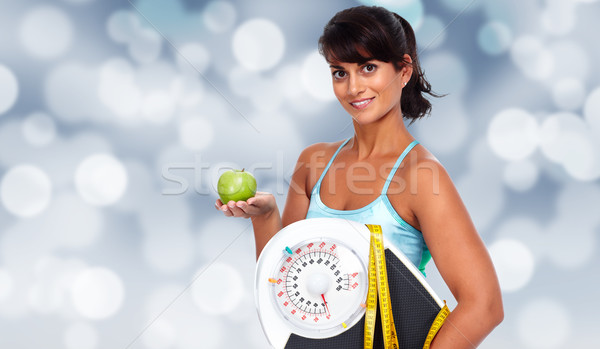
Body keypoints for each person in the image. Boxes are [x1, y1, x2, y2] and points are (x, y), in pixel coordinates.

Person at [216, 5, 503, 348]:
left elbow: (484, 306)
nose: (353, 88)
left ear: (404, 70)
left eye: (368, 68)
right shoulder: (313, 163)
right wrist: (265, 218)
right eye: (340, 72)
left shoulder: (422, 177)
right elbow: (285, 288)